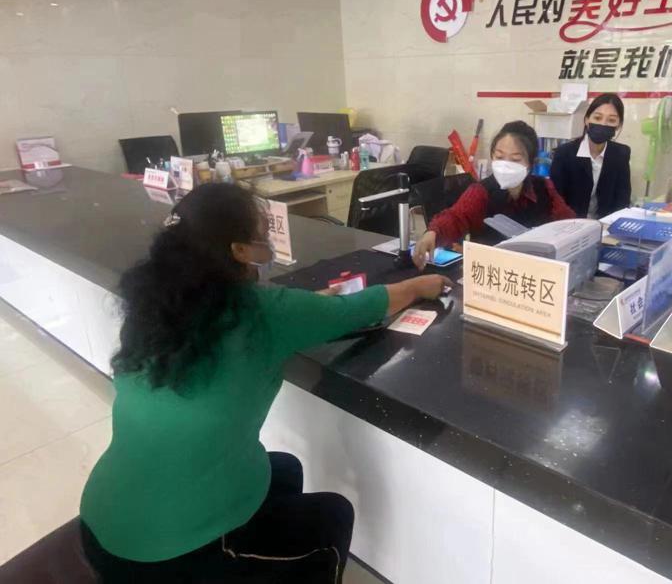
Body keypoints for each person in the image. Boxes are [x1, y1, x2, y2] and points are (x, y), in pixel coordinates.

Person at [79, 183, 449, 583]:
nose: (267, 243)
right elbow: (360, 308)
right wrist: (418, 286)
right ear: (238, 250)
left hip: (102, 521)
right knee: (333, 515)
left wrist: (307, 308)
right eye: (261, 235)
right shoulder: (261, 313)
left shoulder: (155, 308)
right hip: (168, 559)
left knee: (284, 469)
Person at [413, 121, 575, 269]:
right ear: (492, 156)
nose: (505, 165)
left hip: (535, 270)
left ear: (530, 164)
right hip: (491, 272)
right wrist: (433, 233)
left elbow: (568, 224)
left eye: (515, 159)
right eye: (499, 157)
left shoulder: (544, 187)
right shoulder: (480, 191)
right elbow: (456, 217)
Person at [550, 93, 631, 219]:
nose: (603, 124)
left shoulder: (621, 153)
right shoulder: (564, 153)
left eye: (611, 120)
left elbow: (622, 200)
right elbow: (556, 201)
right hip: (571, 224)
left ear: (618, 125)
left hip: (606, 224)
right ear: (587, 120)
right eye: (597, 118)